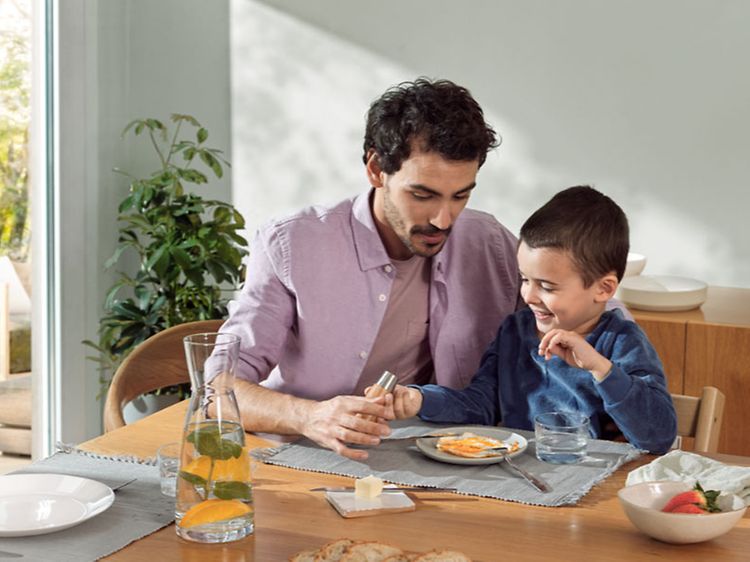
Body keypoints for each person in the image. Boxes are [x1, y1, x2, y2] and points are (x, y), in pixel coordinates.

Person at [219, 78, 521, 459]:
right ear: (377, 169)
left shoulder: (488, 241)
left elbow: (588, 311)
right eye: (422, 195)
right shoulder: (291, 242)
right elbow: (218, 389)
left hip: (442, 464)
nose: (444, 220)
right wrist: (310, 417)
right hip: (306, 457)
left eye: (460, 195)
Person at [389, 186, 677, 453]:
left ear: (603, 289)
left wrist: (600, 368)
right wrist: (421, 400)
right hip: (519, 477)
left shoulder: (621, 342)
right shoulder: (515, 331)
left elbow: (658, 436)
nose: (529, 295)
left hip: (592, 489)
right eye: (524, 280)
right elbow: (481, 405)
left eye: (548, 287)